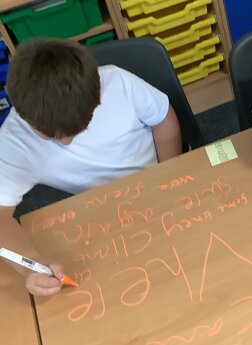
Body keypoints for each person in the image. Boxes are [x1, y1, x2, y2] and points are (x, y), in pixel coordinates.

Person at [0, 39, 182, 298]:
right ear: (22, 112)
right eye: (51, 136)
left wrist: (170, 173)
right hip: (103, 214)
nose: (66, 141)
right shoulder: (13, 141)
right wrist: (31, 264)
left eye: (79, 129)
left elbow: (162, 118)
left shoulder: (117, 83)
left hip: (158, 183)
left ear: (97, 97)